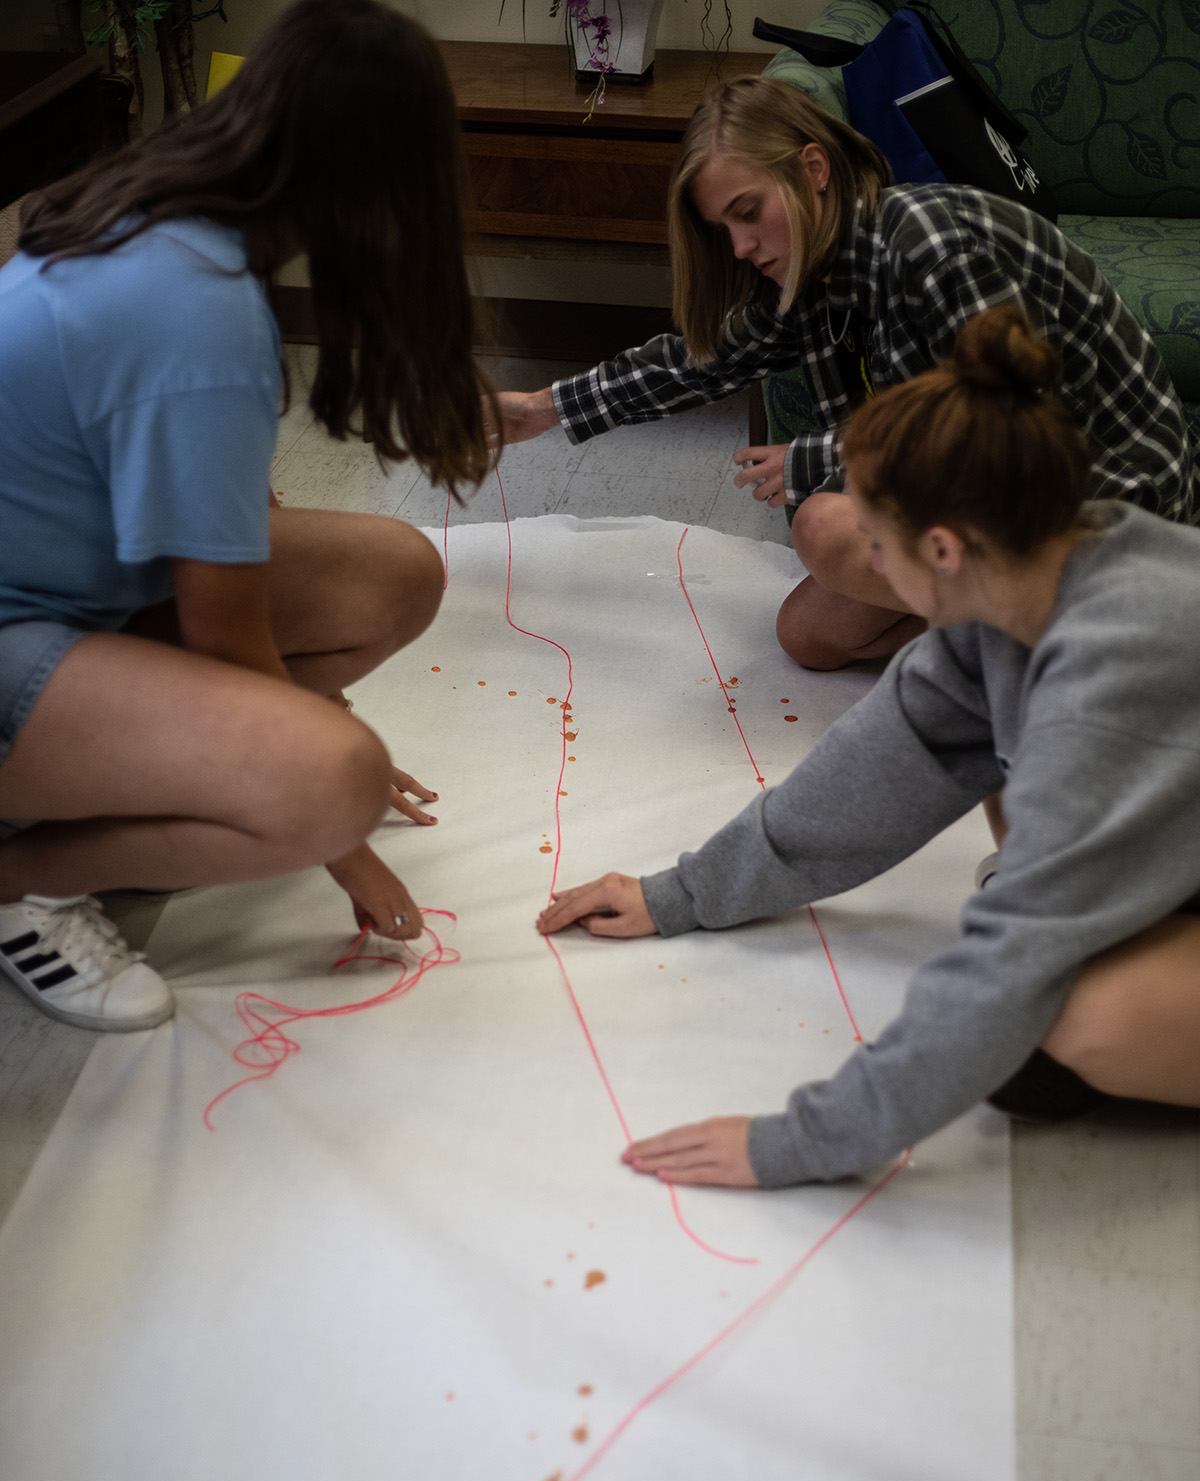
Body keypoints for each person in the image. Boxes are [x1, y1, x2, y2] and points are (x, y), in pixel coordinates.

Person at [536, 307, 1200, 1190]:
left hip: (1150, 769)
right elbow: (872, 776)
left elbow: (1011, 964)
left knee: (1076, 1027)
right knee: (1023, 960)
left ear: (943, 546)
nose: (871, 571)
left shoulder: (1111, 671)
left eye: (878, 546)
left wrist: (800, 1143)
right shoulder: (1028, 580)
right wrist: (684, 893)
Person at [0, 0, 492, 1031]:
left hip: (61, 587)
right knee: (335, 784)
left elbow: (223, 517)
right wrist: (331, 818)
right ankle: (24, 877)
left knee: (397, 572)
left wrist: (284, 730)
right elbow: (225, 634)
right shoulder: (198, 306)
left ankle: (100, 790)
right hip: (17, 632)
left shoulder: (172, 215)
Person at [496, 77, 1196, 671]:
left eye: (748, 213)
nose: (740, 247)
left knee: (825, 529)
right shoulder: (815, 273)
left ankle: (1115, 622)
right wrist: (540, 408)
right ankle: (1049, 636)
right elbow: (701, 361)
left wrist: (825, 456)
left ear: (814, 169)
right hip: (996, 500)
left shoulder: (930, 244)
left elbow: (1009, 429)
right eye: (723, 230)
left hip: (1103, 496)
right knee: (810, 636)